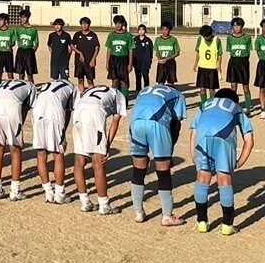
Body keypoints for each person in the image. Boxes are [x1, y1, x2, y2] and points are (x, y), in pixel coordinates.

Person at [190, 87, 255, 236]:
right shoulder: (236, 107)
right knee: (224, 179)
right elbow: (249, 140)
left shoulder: (205, 105)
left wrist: (194, 155)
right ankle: (227, 224)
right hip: (224, 138)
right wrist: (239, 162)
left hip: (202, 139)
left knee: (202, 177)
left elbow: (193, 133)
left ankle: (201, 222)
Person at [127, 82, 189, 225]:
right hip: (156, 123)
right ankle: (167, 216)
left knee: (138, 168)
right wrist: (169, 152)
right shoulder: (177, 95)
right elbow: (176, 124)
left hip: (135, 123)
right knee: (163, 170)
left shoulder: (145, 90)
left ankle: (138, 212)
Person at [71, 84, 126, 215]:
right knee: (98, 163)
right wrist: (107, 145)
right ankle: (104, 205)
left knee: (79, 162)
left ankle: (85, 202)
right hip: (93, 113)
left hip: (78, 111)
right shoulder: (119, 95)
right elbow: (115, 121)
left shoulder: (94, 89)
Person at [0, 78, 33, 200]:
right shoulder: (30, 86)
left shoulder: (5, 83)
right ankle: (15, 190)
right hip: (11, 108)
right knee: (15, 150)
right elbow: (28, 108)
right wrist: (19, 125)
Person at [30, 78, 75, 203]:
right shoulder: (71, 87)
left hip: (38, 112)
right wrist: (63, 132)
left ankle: (48, 192)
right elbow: (68, 112)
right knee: (58, 153)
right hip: (54, 113)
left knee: (41, 153)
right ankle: (60, 193)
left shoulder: (47, 84)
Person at [224, 17, 253, 108]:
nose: (236, 28)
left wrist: (244, 61)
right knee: (233, 86)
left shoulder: (247, 38)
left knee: (245, 86)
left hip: (243, 63)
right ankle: (234, 105)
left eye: (238, 26)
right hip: (233, 62)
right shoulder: (229, 38)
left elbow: (248, 52)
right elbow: (229, 51)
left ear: (242, 27)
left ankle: (248, 105)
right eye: (234, 26)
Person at [193, 24, 224, 108]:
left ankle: (212, 105)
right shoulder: (200, 39)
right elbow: (198, 53)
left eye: (207, 36)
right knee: (202, 89)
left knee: (212, 89)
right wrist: (195, 64)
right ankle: (204, 105)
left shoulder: (217, 40)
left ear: (211, 34)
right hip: (202, 68)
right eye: (204, 36)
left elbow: (220, 54)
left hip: (212, 68)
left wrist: (219, 66)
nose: (206, 38)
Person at [104, 15, 133, 91]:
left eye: (119, 23)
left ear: (122, 24)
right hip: (113, 59)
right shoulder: (111, 35)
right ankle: (115, 99)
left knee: (124, 81)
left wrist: (130, 64)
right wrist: (107, 63)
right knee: (115, 81)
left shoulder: (128, 35)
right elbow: (109, 50)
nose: (117, 25)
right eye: (116, 23)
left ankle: (124, 100)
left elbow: (130, 50)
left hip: (123, 59)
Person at [70, 18, 100, 90]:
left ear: (89, 25)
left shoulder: (93, 35)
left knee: (90, 80)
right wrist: (79, 53)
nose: (84, 25)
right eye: (83, 23)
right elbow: (72, 46)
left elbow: (97, 48)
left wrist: (93, 59)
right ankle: (81, 94)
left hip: (89, 62)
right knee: (80, 80)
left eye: (86, 24)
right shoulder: (77, 34)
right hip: (79, 62)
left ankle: (90, 96)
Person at [13, 11, 39, 81]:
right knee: (20, 73)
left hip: (29, 51)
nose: (22, 19)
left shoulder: (33, 30)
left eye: (24, 17)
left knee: (29, 73)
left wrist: (32, 52)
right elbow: (16, 40)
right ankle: (21, 87)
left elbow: (36, 43)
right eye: (21, 17)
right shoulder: (18, 30)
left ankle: (32, 88)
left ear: (28, 18)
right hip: (21, 51)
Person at [153, 23, 180, 87]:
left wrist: (167, 59)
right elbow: (156, 51)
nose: (164, 31)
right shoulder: (158, 39)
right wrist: (159, 59)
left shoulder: (173, 39)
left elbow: (177, 53)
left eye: (166, 29)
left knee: (170, 82)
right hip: (161, 62)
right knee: (160, 82)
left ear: (169, 30)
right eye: (163, 29)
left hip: (170, 62)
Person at [0, 13, 16, 79]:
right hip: (0, 53)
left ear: (5, 21)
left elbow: (13, 42)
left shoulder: (11, 31)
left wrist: (10, 45)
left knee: (10, 72)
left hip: (8, 53)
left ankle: (11, 86)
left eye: (1, 20)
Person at [130, 25, 153, 91]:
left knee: (145, 76)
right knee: (138, 77)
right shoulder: (135, 40)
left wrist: (149, 61)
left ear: (145, 31)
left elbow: (151, 52)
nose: (141, 31)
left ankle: (146, 90)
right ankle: (138, 90)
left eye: (142, 30)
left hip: (146, 61)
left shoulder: (148, 40)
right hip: (137, 61)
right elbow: (132, 50)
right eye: (139, 30)